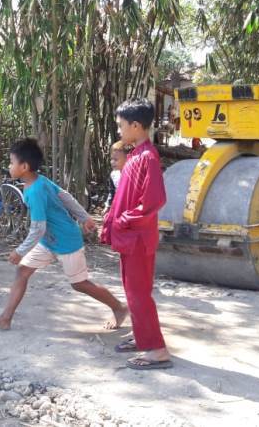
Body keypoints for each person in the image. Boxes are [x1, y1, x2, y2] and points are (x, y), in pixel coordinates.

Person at [0, 138, 128, 331]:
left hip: (66, 241)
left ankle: (119, 308)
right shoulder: (39, 181)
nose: (9, 166)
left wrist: (20, 251)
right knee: (22, 271)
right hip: (48, 241)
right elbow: (65, 197)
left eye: (11, 162)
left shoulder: (35, 191)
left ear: (24, 167)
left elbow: (38, 228)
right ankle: (5, 318)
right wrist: (84, 217)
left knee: (80, 284)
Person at [101, 98, 172, 370]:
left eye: (121, 125)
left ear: (135, 125)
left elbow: (154, 201)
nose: (119, 130)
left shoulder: (148, 157)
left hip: (137, 238)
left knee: (139, 294)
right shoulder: (136, 155)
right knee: (133, 292)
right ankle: (142, 337)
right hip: (130, 237)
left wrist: (123, 220)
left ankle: (157, 350)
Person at [105, 140, 132, 211]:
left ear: (127, 159)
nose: (112, 162)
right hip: (119, 208)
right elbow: (112, 192)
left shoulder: (133, 175)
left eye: (116, 160)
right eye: (111, 159)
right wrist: (108, 206)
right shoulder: (113, 174)